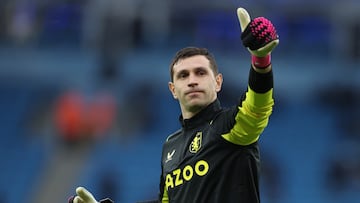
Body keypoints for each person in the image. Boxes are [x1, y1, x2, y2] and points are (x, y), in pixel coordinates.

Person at [69, 7, 279, 203]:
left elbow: (257, 105)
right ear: (173, 89)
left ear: (218, 82)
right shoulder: (171, 145)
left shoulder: (229, 126)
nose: (192, 80)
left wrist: (261, 60)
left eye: (201, 72)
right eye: (183, 75)